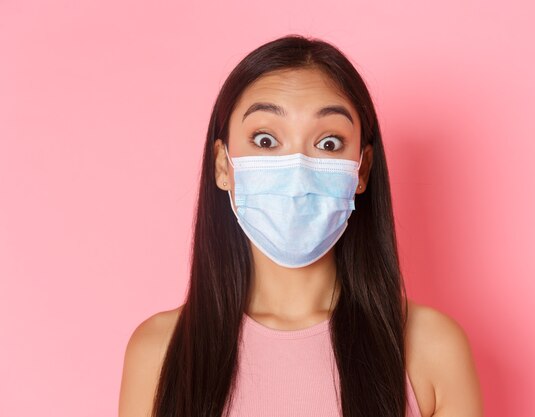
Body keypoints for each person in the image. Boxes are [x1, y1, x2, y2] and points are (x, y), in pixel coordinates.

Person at [119, 35, 483, 417]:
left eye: (328, 143)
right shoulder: (159, 352)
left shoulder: (431, 348)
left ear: (362, 170)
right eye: (265, 140)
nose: (297, 169)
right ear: (223, 165)